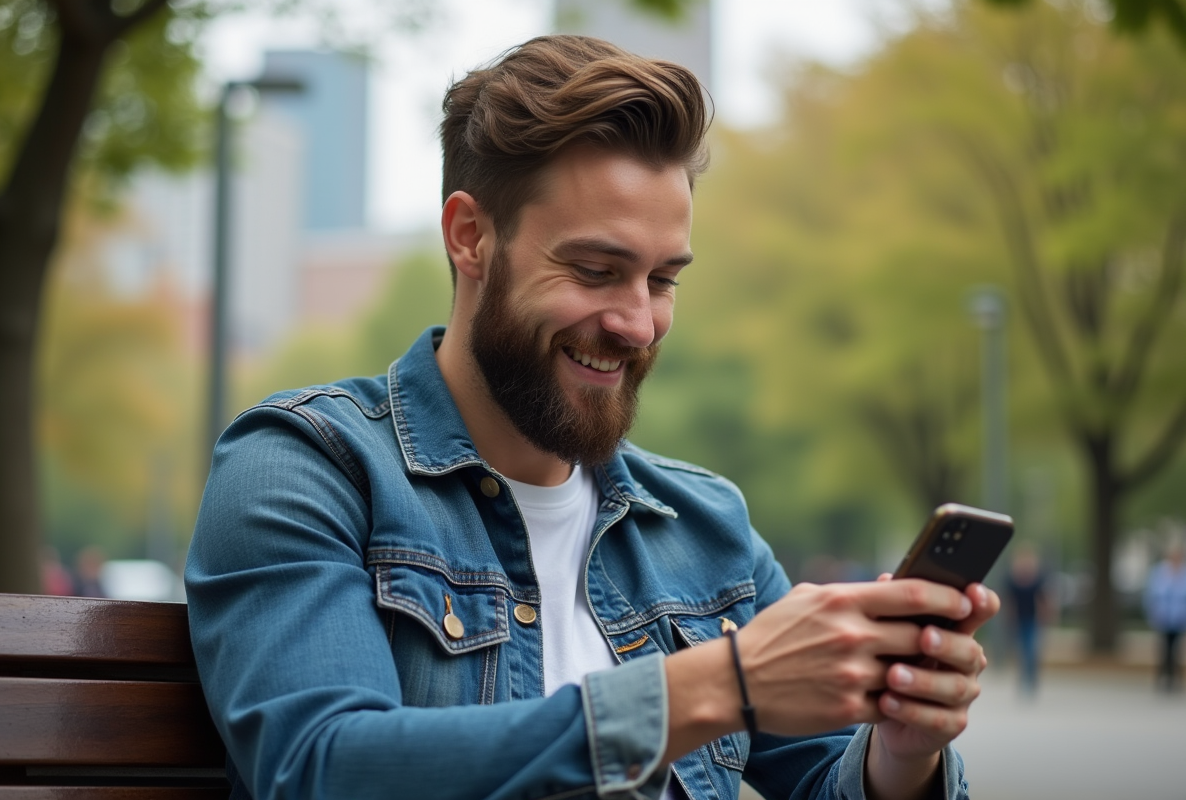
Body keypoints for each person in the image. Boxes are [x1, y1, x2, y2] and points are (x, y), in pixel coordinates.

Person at [186, 36, 999, 800]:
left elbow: (833, 780)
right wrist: (721, 684)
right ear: (471, 238)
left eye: (662, 280)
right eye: (596, 269)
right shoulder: (306, 468)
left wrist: (904, 747)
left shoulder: (704, 526)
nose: (637, 323)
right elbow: (321, 768)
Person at [1003, 543, 1049, 695]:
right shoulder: (1013, 579)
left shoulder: (1037, 578)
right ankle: (1023, 678)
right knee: (1022, 651)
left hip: (1033, 619)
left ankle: (1032, 678)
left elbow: (1042, 599)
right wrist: (1010, 617)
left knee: (1031, 650)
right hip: (1019, 620)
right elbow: (1010, 601)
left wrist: (1045, 615)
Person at [1144, 540, 1186, 692]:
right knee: (1163, 650)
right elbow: (1151, 595)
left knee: (1176, 650)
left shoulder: (1183, 573)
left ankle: (1175, 679)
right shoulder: (1159, 572)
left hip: (1179, 618)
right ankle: (1161, 679)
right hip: (1163, 617)